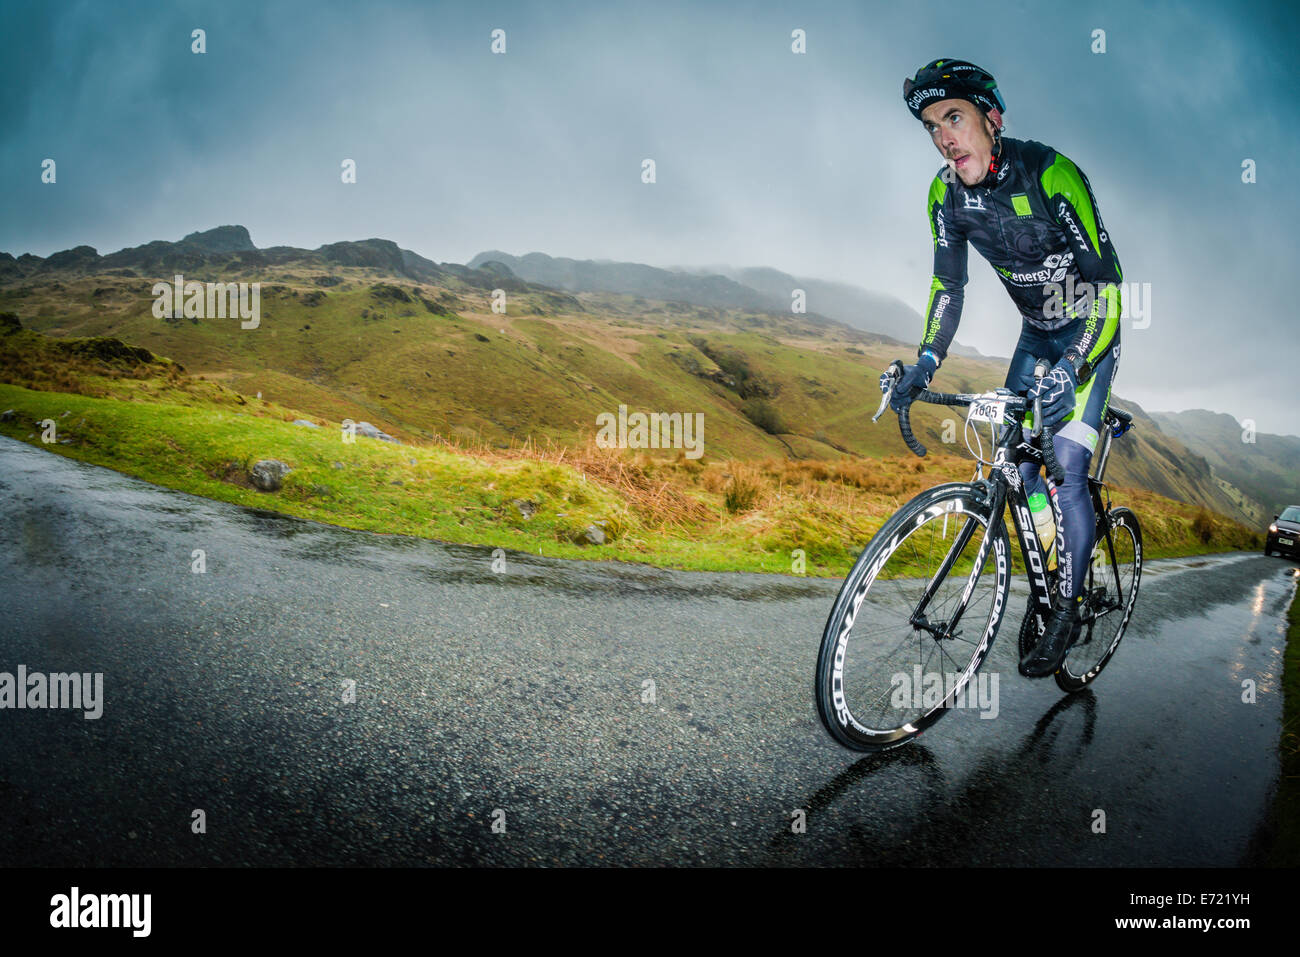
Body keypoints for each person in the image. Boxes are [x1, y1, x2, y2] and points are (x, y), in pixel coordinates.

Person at [890, 58, 1124, 677]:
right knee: (1015, 461)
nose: (944, 136)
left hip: (1088, 335)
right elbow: (949, 285)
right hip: (1035, 335)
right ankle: (1052, 568)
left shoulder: (1051, 174)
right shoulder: (946, 195)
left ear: (991, 119)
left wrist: (1073, 366)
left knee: (1067, 467)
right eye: (932, 125)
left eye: (955, 117)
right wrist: (927, 362)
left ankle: (1069, 608)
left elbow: (1109, 287)